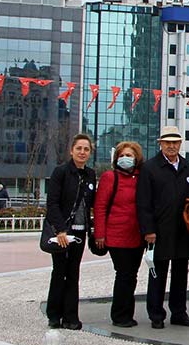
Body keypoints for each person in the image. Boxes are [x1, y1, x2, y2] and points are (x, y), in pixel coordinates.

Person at [136, 126, 189, 330]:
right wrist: (148, 230)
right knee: (158, 274)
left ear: (180, 143)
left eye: (175, 142)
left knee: (181, 273)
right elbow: (143, 202)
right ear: (161, 144)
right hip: (159, 230)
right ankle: (156, 314)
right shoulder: (150, 168)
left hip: (183, 230)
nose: (171, 146)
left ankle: (179, 312)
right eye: (167, 142)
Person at [44, 134, 96, 331]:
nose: (82, 152)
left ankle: (71, 316)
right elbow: (53, 203)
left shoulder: (90, 174)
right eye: (79, 148)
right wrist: (60, 231)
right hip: (63, 232)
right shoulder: (61, 172)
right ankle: (54, 315)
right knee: (59, 272)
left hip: (80, 232)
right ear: (71, 150)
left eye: (86, 149)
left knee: (73, 273)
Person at [94, 141, 145, 328]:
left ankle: (127, 313)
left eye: (129, 155)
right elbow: (100, 206)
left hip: (137, 235)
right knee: (123, 274)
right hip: (116, 235)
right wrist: (100, 234)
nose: (125, 159)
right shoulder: (110, 177)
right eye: (122, 155)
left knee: (132, 275)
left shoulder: (141, 178)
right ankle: (120, 315)